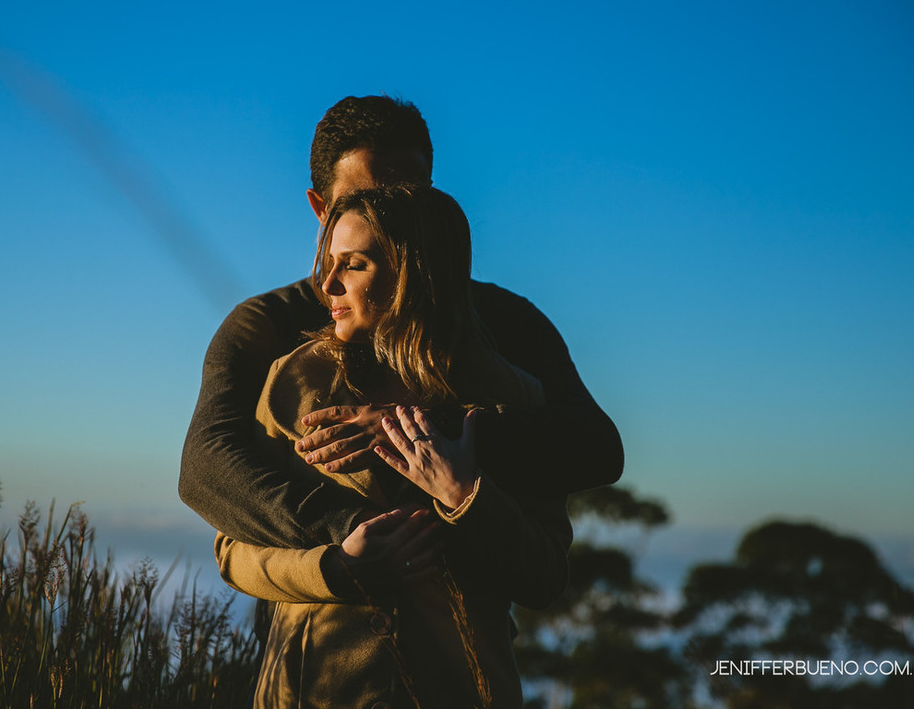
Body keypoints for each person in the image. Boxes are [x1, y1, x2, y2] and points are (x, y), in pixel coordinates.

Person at [180, 95, 622, 552]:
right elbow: (206, 469)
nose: (396, 215)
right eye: (365, 199)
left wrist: (426, 429)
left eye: (414, 195)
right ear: (320, 208)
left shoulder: (507, 320)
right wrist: (352, 532)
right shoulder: (269, 323)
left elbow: (597, 448)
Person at [215, 185, 571, 706]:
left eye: (354, 265)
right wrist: (336, 569)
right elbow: (232, 551)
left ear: (414, 274)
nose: (327, 284)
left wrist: (464, 496)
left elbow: (545, 578)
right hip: (311, 694)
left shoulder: (510, 397)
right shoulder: (295, 382)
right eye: (329, 263)